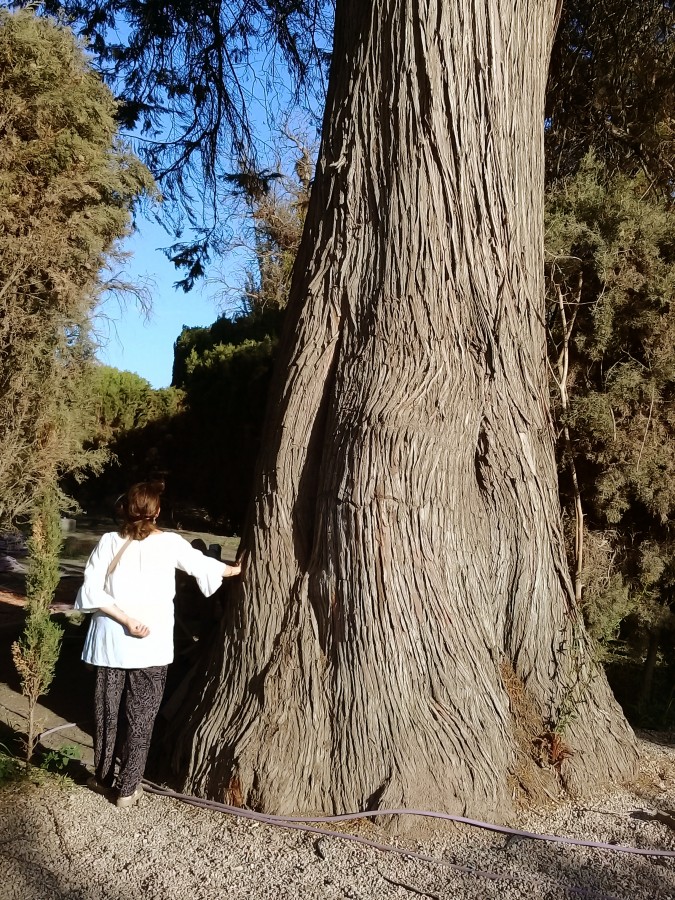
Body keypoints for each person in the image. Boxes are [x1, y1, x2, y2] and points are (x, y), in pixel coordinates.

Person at [75, 481, 241, 808]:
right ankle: (128, 788)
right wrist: (234, 569)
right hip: (151, 644)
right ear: (157, 511)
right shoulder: (170, 544)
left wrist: (124, 620)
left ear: (125, 508)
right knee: (142, 715)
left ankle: (104, 776)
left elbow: (91, 592)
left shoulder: (109, 541)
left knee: (107, 713)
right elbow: (202, 566)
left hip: (110, 643)